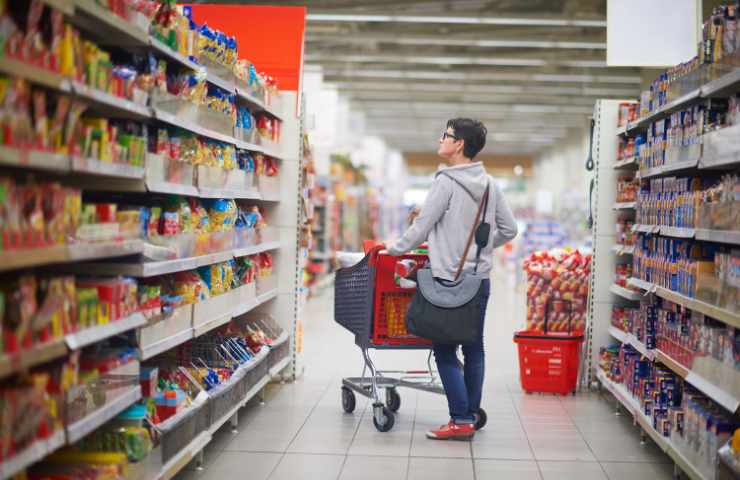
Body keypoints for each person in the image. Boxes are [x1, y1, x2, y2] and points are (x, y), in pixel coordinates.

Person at [387, 118, 518, 441]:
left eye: (445, 135)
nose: (440, 139)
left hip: (447, 278)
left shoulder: (445, 181)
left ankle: (460, 420)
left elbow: (422, 226)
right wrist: (482, 249)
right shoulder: (489, 184)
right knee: (474, 349)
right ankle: (470, 414)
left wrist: (393, 250)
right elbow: (510, 229)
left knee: (445, 351)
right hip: (479, 279)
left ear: (459, 144)